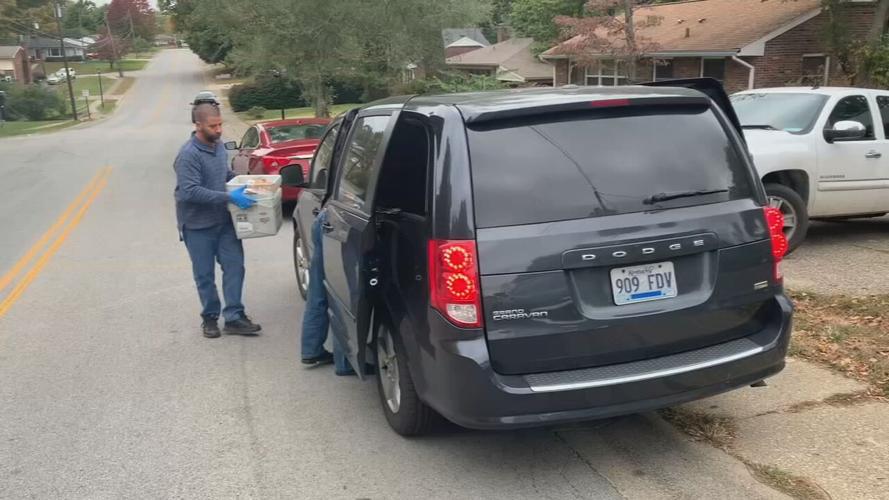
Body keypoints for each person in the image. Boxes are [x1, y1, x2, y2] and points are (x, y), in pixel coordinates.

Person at [174, 103, 262, 339]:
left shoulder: (220, 147)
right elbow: (189, 191)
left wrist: (242, 181)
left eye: (220, 124)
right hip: (197, 226)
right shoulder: (188, 155)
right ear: (198, 125)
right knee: (204, 274)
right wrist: (229, 196)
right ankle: (210, 317)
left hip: (224, 222)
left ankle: (234, 316)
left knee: (235, 266)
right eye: (213, 126)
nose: (219, 129)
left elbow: (223, 175)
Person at [300, 208, 354, 375]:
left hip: (328, 216)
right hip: (341, 219)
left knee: (318, 291)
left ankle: (311, 349)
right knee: (341, 288)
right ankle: (344, 362)